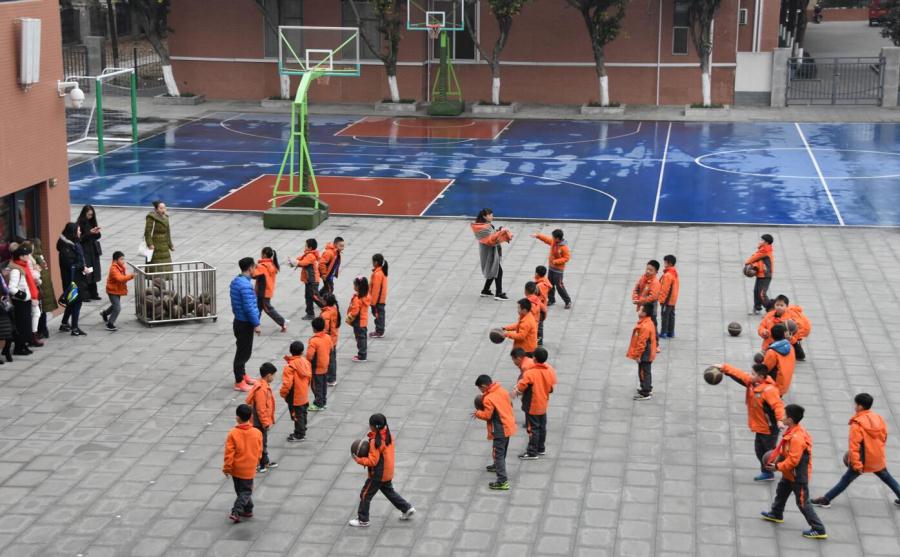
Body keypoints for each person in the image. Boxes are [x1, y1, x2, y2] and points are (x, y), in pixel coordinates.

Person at [812, 393, 900, 508]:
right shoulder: (878, 418)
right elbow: (884, 437)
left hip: (863, 459)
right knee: (887, 477)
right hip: (877, 457)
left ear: (860, 406)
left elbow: (854, 447)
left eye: (856, 404)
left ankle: (826, 499)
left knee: (846, 479)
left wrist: (856, 465)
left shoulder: (857, 424)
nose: (855, 406)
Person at [761, 404, 827, 539]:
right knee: (781, 492)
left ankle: (819, 529)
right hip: (790, 473)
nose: (782, 417)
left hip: (798, 477)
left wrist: (777, 467)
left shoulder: (797, 438)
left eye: (784, 415)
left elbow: (793, 461)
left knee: (802, 502)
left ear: (790, 420)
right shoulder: (792, 431)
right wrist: (776, 459)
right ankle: (776, 513)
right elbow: (785, 451)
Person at [714, 362, 785, 481]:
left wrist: (780, 420)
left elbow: (778, 406)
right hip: (761, 426)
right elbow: (741, 375)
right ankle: (769, 471)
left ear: (760, 376)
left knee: (768, 452)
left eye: (753, 374)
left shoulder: (769, 391)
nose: (750, 375)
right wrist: (724, 368)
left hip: (769, 428)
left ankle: (774, 471)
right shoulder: (754, 383)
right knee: (759, 450)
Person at [349, 414, 416, 527]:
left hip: (377, 474)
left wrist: (358, 460)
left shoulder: (375, 441)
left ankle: (363, 520)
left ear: (373, 426)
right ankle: (406, 508)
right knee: (389, 492)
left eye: (370, 424)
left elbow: (373, 461)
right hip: (387, 472)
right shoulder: (388, 435)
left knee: (365, 494)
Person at [473, 374, 517, 490]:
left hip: (500, 429)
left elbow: (487, 416)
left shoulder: (488, 399)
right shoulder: (502, 391)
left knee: (498, 455)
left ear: (483, 386)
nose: (480, 391)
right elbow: (510, 404)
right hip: (509, 425)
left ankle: (502, 481)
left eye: (480, 388)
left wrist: (478, 413)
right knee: (502, 451)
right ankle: (497, 466)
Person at [514, 347, 557, 460]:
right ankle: (541, 448)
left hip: (532, 404)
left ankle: (532, 452)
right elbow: (551, 387)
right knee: (542, 426)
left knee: (533, 428)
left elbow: (521, 386)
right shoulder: (550, 370)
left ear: (534, 359)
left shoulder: (530, 373)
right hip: (543, 402)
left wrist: (517, 389)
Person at [223, 404, 263, 523]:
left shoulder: (233, 433)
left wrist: (227, 468)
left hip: (236, 469)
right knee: (245, 491)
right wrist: (257, 461)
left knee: (241, 491)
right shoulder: (257, 432)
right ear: (251, 417)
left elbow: (229, 453)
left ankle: (238, 510)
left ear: (237, 417)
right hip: (249, 468)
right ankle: (246, 509)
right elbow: (259, 449)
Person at [230, 257, 261, 392]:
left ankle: (243, 375)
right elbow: (249, 307)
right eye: (254, 267)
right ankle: (239, 381)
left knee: (242, 350)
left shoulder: (237, 281)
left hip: (239, 321)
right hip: (245, 323)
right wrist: (256, 324)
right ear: (250, 268)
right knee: (243, 353)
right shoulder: (246, 286)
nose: (255, 270)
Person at [471, 208, 512, 300]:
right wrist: (501, 232)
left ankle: (485, 290)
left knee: (493, 269)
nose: (492, 216)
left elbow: (492, 236)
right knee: (498, 271)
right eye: (490, 215)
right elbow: (490, 240)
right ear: (484, 216)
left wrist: (498, 231)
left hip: (489, 251)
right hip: (489, 252)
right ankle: (498, 293)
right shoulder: (484, 228)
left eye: (492, 214)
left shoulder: (485, 226)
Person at [56, 223, 87, 336]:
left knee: (71, 301)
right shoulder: (66, 249)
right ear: (72, 232)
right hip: (71, 280)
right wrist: (83, 267)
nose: (80, 232)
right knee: (76, 302)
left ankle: (64, 323)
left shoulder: (73, 243)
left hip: (76, 278)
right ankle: (75, 328)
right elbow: (71, 265)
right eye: (78, 230)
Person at [8, 245, 42, 351]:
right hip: (20, 301)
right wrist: (24, 296)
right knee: (21, 325)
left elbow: (27, 283)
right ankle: (19, 347)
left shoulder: (24, 266)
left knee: (26, 324)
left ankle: (24, 345)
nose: (28, 256)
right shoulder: (16, 270)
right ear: (21, 256)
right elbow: (11, 288)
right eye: (26, 254)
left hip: (26, 300)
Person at [246, 362, 277, 473]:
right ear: (268, 375)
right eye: (273, 375)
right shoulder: (262, 389)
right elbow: (261, 408)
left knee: (262, 442)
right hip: (259, 422)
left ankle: (265, 461)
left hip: (259, 421)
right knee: (261, 443)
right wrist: (265, 423)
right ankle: (260, 464)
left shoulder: (261, 385)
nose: (274, 377)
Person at [759, 294, 810, 359]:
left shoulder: (792, 317)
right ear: (774, 305)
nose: (779, 307)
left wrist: (791, 337)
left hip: (788, 340)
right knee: (762, 357)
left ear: (786, 306)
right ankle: (768, 351)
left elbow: (799, 329)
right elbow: (762, 326)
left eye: (781, 305)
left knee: (799, 356)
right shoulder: (769, 315)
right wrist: (763, 332)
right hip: (771, 340)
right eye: (777, 305)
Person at [279, 341, 312, 443]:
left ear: (290, 351)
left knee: (297, 415)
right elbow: (309, 377)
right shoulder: (306, 362)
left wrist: (283, 393)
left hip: (295, 396)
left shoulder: (290, 367)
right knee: (303, 412)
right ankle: (303, 427)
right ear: (302, 351)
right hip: (303, 393)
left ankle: (299, 434)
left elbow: (287, 384)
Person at [531, 229, 571, 309]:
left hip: (558, 271)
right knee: (550, 285)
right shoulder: (554, 242)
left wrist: (556, 261)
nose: (552, 238)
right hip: (551, 268)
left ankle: (567, 301)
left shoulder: (564, 248)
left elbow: (567, 258)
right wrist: (538, 236)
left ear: (557, 238)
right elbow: (546, 239)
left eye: (553, 237)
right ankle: (551, 299)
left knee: (559, 286)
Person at [253, 247, 287, 333]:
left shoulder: (262, 266)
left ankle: (282, 322)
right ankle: (254, 324)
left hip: (263, 292)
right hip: (267, 290)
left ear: (264, 255)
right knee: (258, 308)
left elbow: (254, 275)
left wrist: (252, 267)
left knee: (268, 309)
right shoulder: (271, 264)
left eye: (261, 253)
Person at [627, 303, 657, 401]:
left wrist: (638, 355)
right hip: (648, 352)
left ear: (644, 313)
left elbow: (641, 343)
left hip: (645, 354)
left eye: (640, 309)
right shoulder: (649, 322)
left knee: (643, 372)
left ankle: (645, 392)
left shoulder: (644, 326)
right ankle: (647, 387)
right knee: (646, 371)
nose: (638, 311)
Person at [100, 251, 134, 332]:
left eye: (123, 259)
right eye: (121, 259)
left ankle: (104, 313)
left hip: (117, 290)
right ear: (115, 260)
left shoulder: (120, 267)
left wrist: (130, 276)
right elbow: (120, 278)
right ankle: (110, 324)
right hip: (112, 290)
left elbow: (123, 278)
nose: (123, 261)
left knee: (115, 305)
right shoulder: (114, 268)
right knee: (117, 307)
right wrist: (131, 276)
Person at [30, 238, 57, 339]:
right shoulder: (41, 256)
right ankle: (44, 330)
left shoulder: (35, 258)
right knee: (43, 310)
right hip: (46, 287)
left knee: (40, 310)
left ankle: (42, 330)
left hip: (41, 288)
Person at [76, 204, 103, 301]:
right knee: (87, 272)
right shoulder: (80, 223)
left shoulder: (92, 222)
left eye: (92, 215)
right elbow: (79, 238)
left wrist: (97, 233)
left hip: (92, 250)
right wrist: (90, 233)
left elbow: (97, 237)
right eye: (89, 215)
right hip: (85, 250)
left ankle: (94, 293)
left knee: (93, 271)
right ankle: (85, 294)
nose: (90, 217)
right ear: (84, 214)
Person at [289, 238, 320, 320]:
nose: (305, 247)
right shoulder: (307, 254)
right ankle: (310, 313)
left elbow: (303, 263)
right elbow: (300, 259)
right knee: (308, 297)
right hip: (309, 280)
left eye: (306, 245)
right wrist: (294, 261)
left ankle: (327, 307)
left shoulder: (310, 256)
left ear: (310, 248)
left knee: (315, 297)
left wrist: (295, 262)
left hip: (312, 281)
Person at [307, 317, 333, 411]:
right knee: (323, 386)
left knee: (316, 386)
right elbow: (331, 348)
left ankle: (318, 404)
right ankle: (323, 402)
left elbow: (310, 355)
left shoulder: (314, 341)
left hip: (316, 368)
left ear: (314, 328)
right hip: (325, 366)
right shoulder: (328, 337)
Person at [632, 260, 661, 343]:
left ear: (656, 272)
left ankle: (655, 344)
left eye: (651, 270)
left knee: (652, 325)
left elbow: (652, 297)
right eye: (647, 269)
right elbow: (636, 288)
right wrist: (635, 297)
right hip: (642, 306)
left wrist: (639, 301)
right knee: (642, 324)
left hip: (650, 307)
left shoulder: (655, 283)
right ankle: (644, 340)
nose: (648, 271)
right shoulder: (642, 278)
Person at [763, 324, 795, 396]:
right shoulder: (790, 347)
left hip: (775, 385)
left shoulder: (772, 351)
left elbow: (765, 369)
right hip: (785, 382)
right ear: (784, 334)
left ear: (771, 336)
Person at [745, 234, 774, 314]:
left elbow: (754, 258)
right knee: (756, 291)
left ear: (766, 242)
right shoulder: (763, 249)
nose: (760, 241)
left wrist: (747, 263)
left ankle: (771, 309)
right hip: (761, 274)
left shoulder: (765, 250)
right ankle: (757, 308)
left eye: (762, 240)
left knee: (761, 294)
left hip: (766, 275)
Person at [145, 200, 175, 274]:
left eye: (164, 208)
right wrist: (150, 244)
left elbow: (168, 233)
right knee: (155, 267)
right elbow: (147, 232)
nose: (163, 210)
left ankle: (164, 280)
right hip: (155, 246)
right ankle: (155, 280)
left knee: (165, 266)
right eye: (161, 208)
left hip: (164, 246)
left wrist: (170, 245)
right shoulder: (151, 218)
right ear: (156, 209)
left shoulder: (166, 218)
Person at [346, 276, 370, 363]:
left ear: (358, 287)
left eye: (355, 285)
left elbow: (355, 311)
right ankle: (362, 353)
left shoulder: (357, 299)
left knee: (360, 338)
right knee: (362, 338)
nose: (354, 286)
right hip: (363, 321)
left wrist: (349, 317)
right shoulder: (366, 296)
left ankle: (362, 355)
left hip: (358, 321)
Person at [320, 293, 340, 387]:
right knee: (332, 359)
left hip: (328, 340)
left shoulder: (326, 314)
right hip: (333, 338)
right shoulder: (334, 309)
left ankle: (331, 378)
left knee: (330, 360)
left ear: (325, 302)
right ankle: (332, 377)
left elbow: (324, 328)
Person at [658, 255, 679, 339]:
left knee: (665, 316)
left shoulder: (667, 275)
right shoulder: (674, 272)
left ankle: (663, 332)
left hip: (667, 300)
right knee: (671, 316)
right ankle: (671, 332)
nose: (664, 264)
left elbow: (665, 289)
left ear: (669, 263)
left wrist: (661, 300)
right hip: (673, 300)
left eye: (665, 262)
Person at [369, 254, 388, 338]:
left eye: (373, 261)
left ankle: (379, 331)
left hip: (377, 300)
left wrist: (373, 302)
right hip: (380, 299)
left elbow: (376, 290)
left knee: (378, 315)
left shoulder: (377, 274)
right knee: (379, 314)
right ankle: (379, 330)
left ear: (376, 262)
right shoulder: (380, 272)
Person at [0, 265, 16, 362]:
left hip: (4, 305)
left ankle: (6, 351)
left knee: (8, 330)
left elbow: (5, 289)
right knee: (4, 331)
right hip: (2, 306)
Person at [533, 266, 551, 345]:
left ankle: (539, 340)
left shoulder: (539, 285)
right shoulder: (545, 281)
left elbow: (538, 297)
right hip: (541, 306)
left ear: (537, 273)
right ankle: (538, 339)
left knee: (539, 325)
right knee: (539, 324)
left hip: (539, 308)